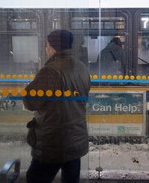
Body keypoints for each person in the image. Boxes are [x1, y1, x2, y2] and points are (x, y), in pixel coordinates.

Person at [23, 29, 91, 183]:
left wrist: (29, 87)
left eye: (47, 45)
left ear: (53, 47)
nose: (46, 48)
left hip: (53, 141)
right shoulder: (82, 68)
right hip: (76, 140)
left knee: (34, 178)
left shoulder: (50, 71)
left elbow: (30, 102)